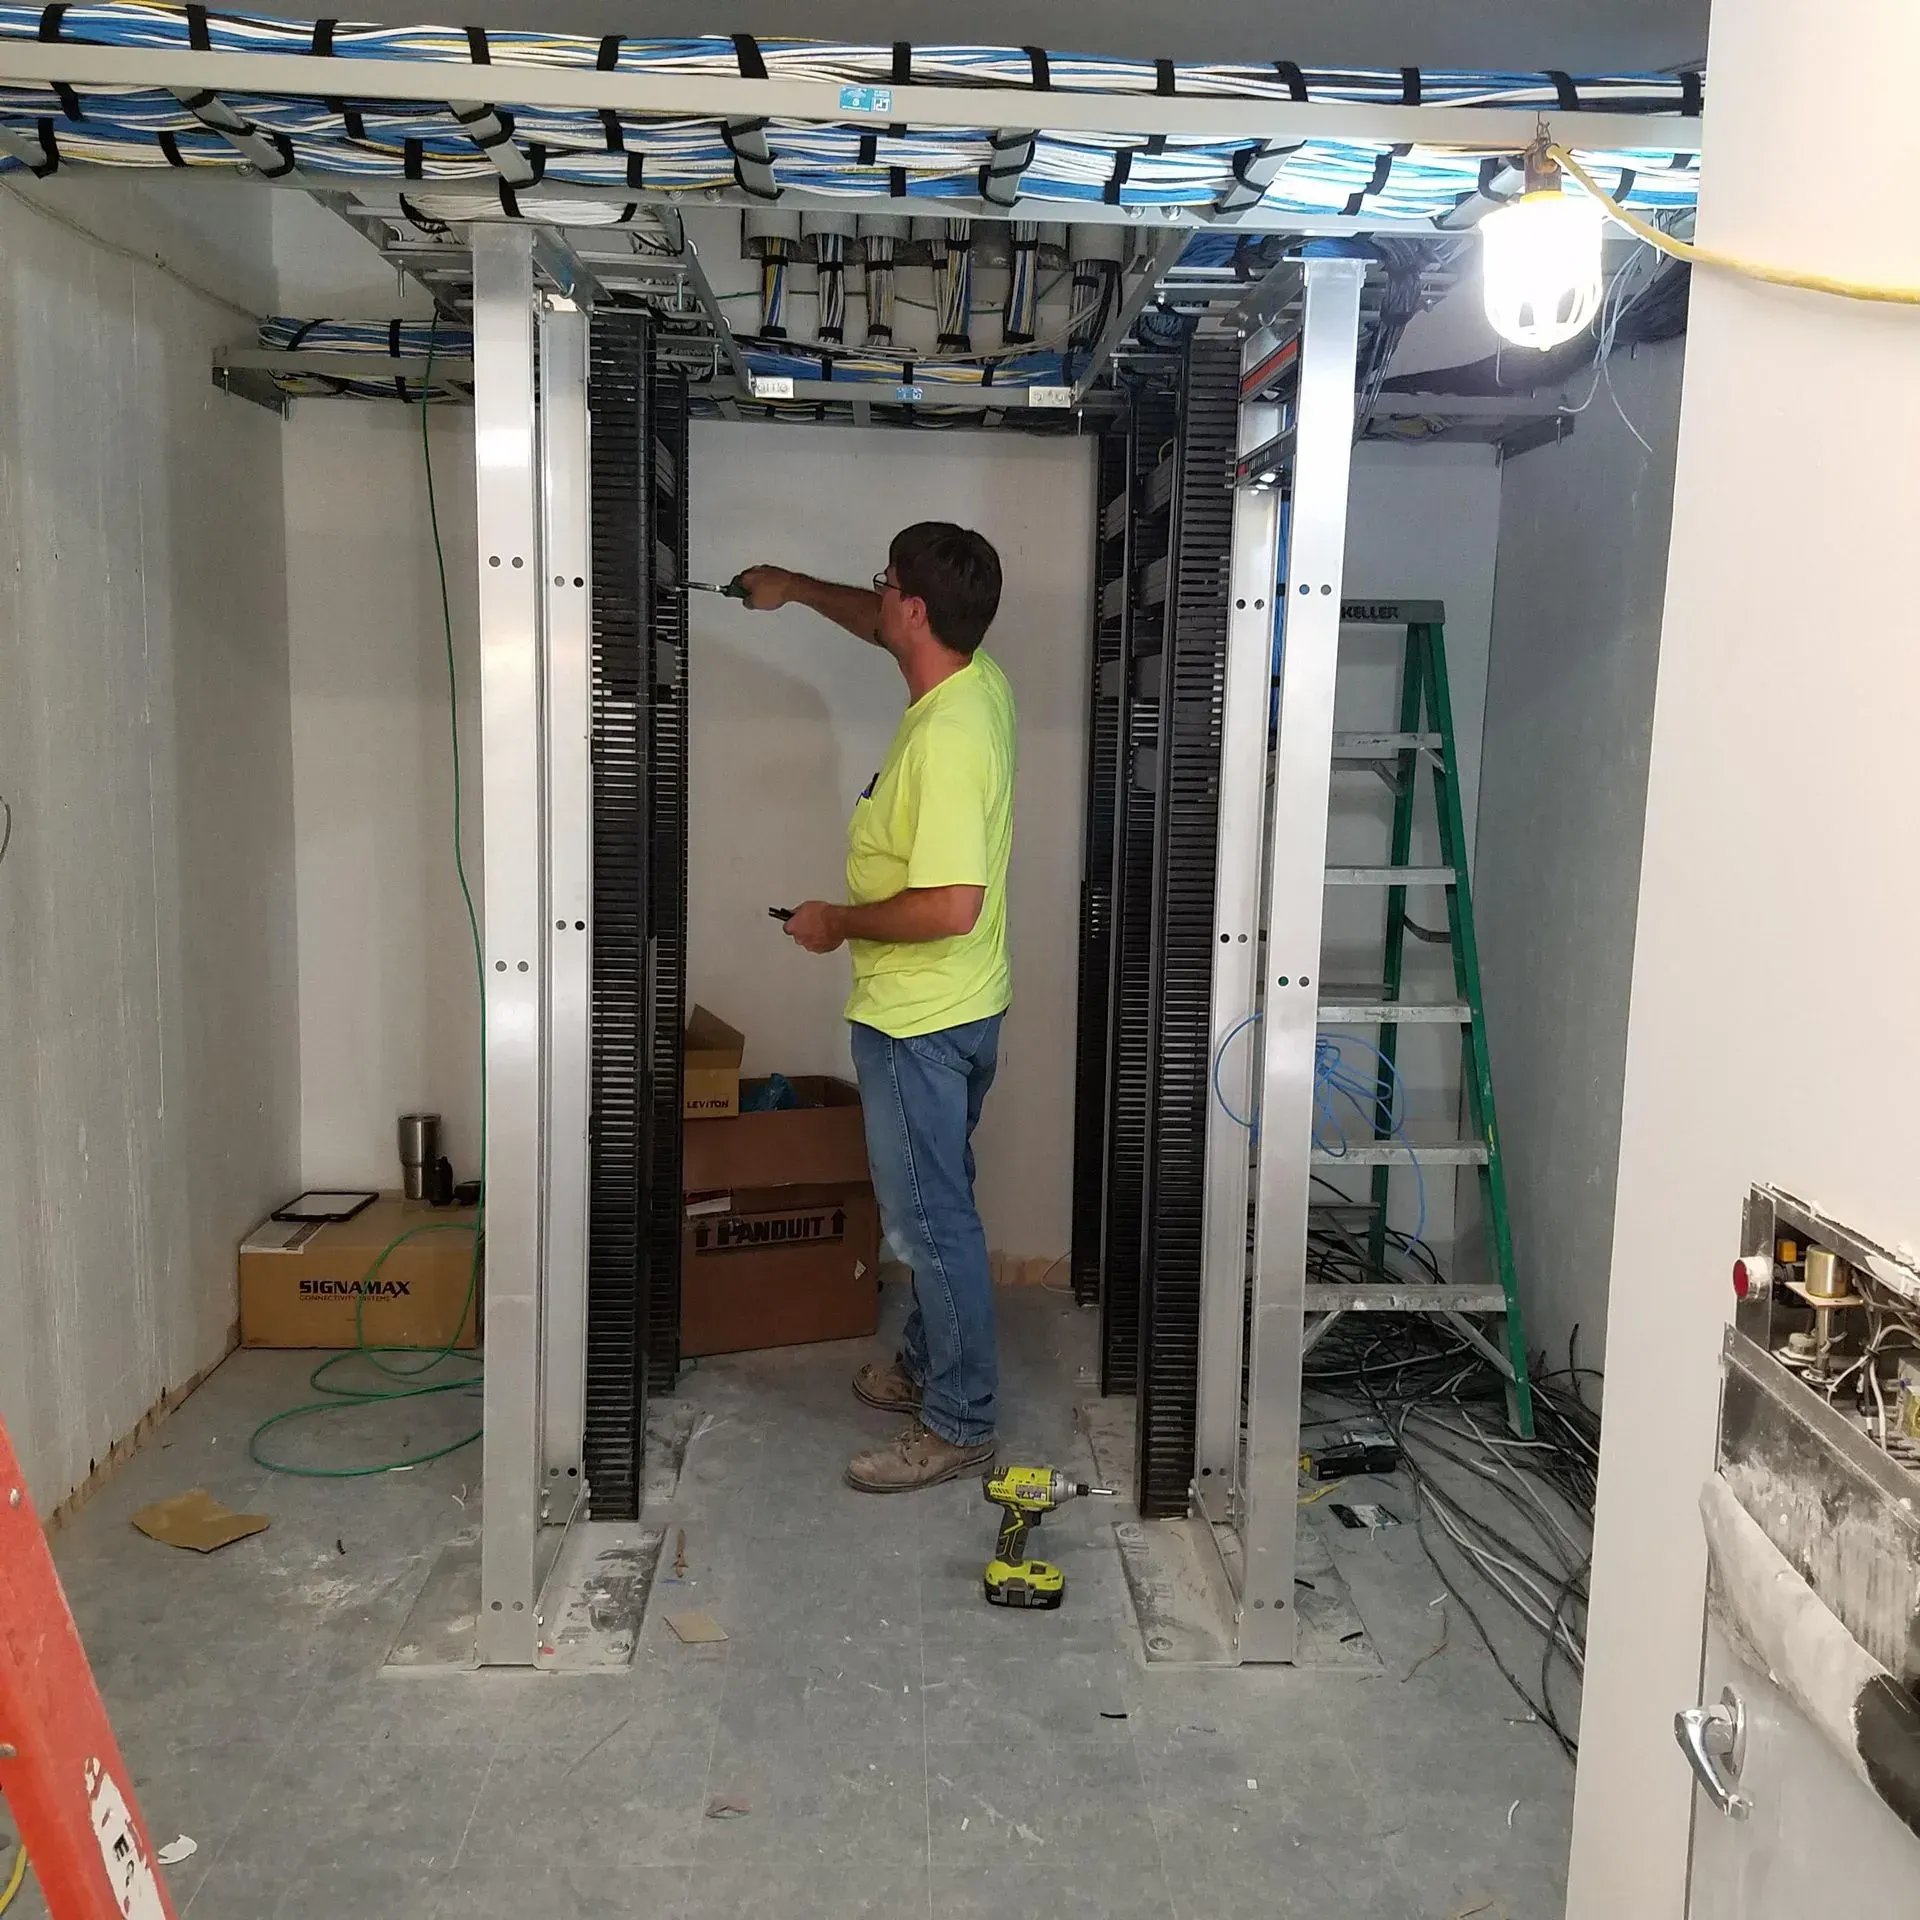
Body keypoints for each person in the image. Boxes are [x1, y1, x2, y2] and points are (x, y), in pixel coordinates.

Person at [738, 524, 1014, 1494]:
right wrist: (795, 584)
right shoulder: (974, 680)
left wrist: (835, 924)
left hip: (918, 1025)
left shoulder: (947, 738)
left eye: (884, 586)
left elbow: (950, 905)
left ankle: (961, 1422)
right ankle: (927, 1366)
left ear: (917, 610)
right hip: (964, 1009)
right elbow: (881, 625)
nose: (879, 598)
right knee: (945, 1209)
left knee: (931, 1227)